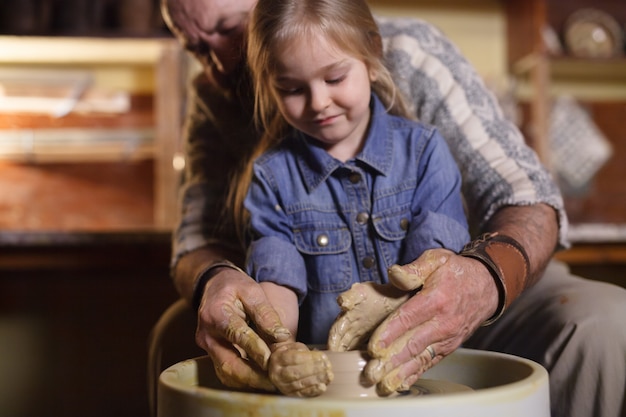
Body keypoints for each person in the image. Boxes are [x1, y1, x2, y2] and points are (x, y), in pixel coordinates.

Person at [158, 0, 626, 415]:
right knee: (176, 339)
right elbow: (213, 246)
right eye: (195, 47)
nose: (217, 63)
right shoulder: (249, 144)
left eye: (226, 28)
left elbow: (525, 196)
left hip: (473, 284)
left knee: (604, 321)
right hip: (316, 323)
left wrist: (474, 283)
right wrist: (275, 341)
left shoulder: (414, 83)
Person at [239, 0, 470, 396]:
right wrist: (280, 346)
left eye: (335, 78)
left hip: (422, 367)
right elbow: (277, 282)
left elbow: (436, 266)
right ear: (268, 87)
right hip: (327, 384)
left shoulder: (425, 152)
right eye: (292, 89)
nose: (318, 102)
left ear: (372, 55)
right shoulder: (271, 178)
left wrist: (392, 301)